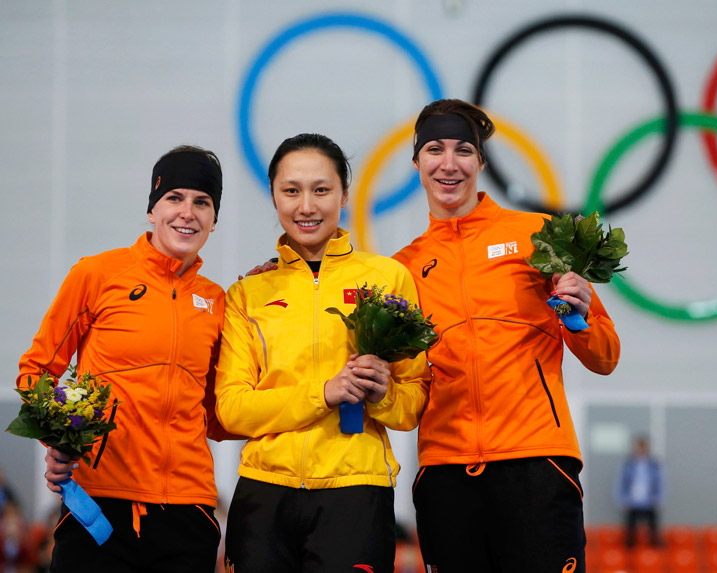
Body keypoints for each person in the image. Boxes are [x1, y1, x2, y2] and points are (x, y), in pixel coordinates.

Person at [392, 98, 621, 573]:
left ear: (481, 161)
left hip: (537, 461)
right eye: (434, 149)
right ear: (416, 162)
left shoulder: (538, 236)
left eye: (463, 150)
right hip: (446, 470)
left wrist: (577, 319)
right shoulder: (403, 269)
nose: (449, 164)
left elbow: (605, 356)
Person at [214, 133, 430, 572]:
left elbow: (411, 406)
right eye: (291, 191)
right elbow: (232, 409)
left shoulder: (388, 278)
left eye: (321, 189)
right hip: (263, 493)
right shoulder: (248, 293)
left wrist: (381, 394)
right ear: (273, 195)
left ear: (344, 194)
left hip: (355, 491)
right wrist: (324, 393)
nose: (306, 206)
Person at [18, 145, 231, 572]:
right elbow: (36, 371)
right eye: (174, 197)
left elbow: (218, 414)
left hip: (188, 510)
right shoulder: (97, 276)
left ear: (213, 220)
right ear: (153, 209)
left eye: (202, 202)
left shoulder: (217, 300)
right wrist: (60, 441)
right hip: (100, 504)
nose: (187, 212)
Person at [616, 435, 665, 548]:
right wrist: (622, 499)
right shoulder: (628, 464)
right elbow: (620, 483)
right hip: (632, 502)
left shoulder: (654, 464)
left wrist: (659, 499)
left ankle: (654, 548)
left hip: (650, 501)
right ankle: (630, 550)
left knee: (653, 529)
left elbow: (661, 483)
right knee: (630, 530)